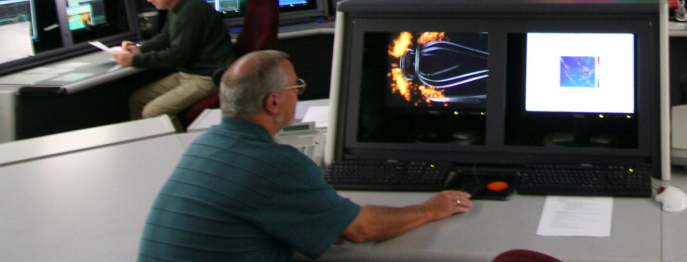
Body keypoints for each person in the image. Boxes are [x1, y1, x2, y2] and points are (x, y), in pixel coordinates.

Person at [138, 50, 472, 261]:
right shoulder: (275, 164)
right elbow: (360, 230)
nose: (298, 94)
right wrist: (430, 209)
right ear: (272, 103)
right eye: (295, 87)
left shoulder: (204, 144)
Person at [113, 0, 235, 120]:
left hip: (206, 78)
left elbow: (179, 56)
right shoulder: (178, 7)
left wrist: (135, 60)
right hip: (189, 74)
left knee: (152, 112)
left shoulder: (191, 13)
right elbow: (165, 37)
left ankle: (178, 143)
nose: (149, 0)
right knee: (137, 101)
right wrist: (140, 49)